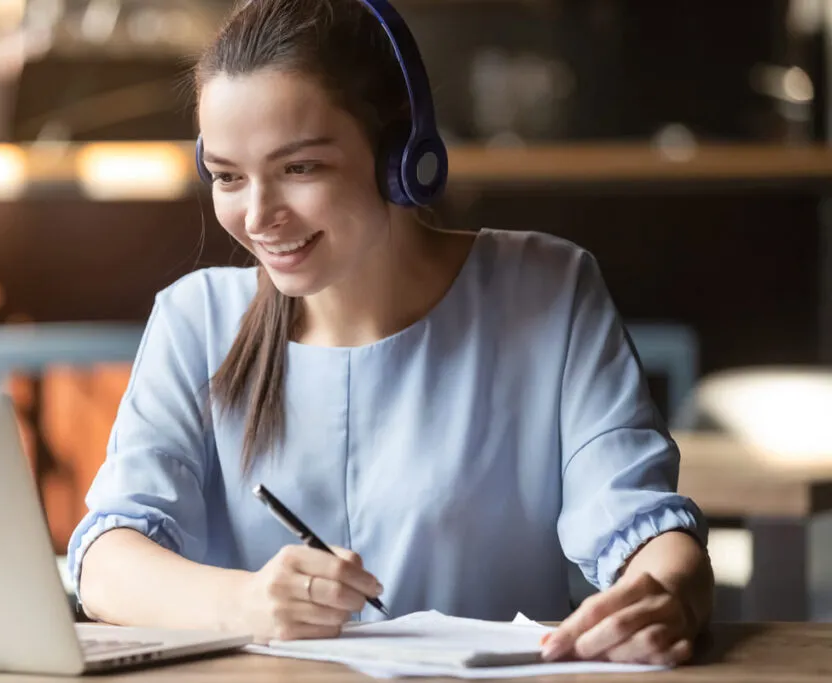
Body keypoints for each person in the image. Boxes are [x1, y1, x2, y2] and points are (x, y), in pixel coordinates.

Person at [67, 0, 714, 666]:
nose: (258, 216)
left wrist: (666, 592)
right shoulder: (195, 318)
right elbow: (106, 561)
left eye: (299, 169)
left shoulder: (547, 290)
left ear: (401, 155)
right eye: (228, 176)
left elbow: (639, 521)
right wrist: (249, 602)